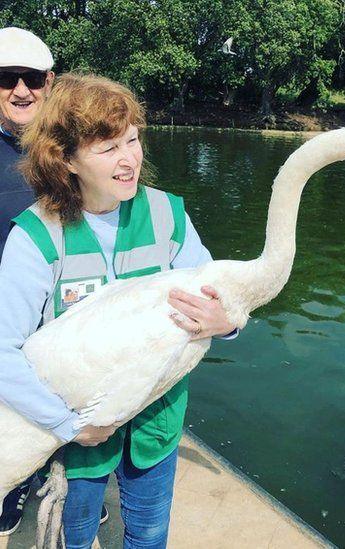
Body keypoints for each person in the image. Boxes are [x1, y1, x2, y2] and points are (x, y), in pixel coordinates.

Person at [0, 73, 238, 548]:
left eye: (132, 139)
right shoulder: (35, 237)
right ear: (66, 158)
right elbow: (3, 352)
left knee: (149, 532)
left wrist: (227, 322)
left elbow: (218, 299)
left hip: (159, 422)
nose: (129, 159)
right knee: (78, 533)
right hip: (79, 437)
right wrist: (69, 426)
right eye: (108, 148)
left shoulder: (169, 215)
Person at [0, 26, 57, 537]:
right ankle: (10, 485)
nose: (21, 90)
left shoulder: (73, 152)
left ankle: (58, 480)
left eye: (32, 78)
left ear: (50, 81)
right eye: (5, 78)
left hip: (63, 316)